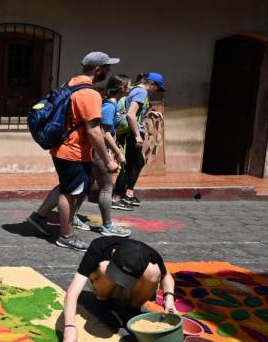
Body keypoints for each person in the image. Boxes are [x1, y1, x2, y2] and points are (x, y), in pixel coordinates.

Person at [26, 52, 120, 251]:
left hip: (61, 148)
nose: (109, 71)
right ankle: (66, 236)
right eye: (107, 67)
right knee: (71, 193)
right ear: (98, 70)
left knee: (66, 186)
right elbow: (94, 131)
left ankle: (38, 217)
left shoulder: (71, 84)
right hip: (74, 151)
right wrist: (108, 160)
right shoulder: (90, 94)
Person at [59, 235, 177, 342]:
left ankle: (132, 309)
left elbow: (166, 276)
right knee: (104, 267)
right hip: (103, 282)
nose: (121, 280)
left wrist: (169, 298)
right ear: (113, 253)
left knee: (154, 272)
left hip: (131, 289)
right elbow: (73, 292)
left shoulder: (150, 255)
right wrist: (69, 327)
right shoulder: (100, 246)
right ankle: (103, 301)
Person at [113, 72, 165, 210]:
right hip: (131, 133)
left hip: (131, 132)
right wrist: (137, 135)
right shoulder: (141, 92)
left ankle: (126, 193)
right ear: (152, 84)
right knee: (128, 165)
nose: (157, 91)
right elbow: (131, 114)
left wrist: (151, 113)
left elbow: (137, 113)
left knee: (137, 163)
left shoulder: (137, 91)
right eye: (157, 88)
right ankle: (117, 197)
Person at [88, 75, 131, 237]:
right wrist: (117, 154)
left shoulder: (110, 105)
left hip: (101, 150)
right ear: (121, 88)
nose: (131, 88)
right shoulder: (110, 106)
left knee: (88, 184)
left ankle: (73, 216)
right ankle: (107, 225)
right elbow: (104, 132)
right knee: (106, 187)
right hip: (100, 151)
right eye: (129, 85)